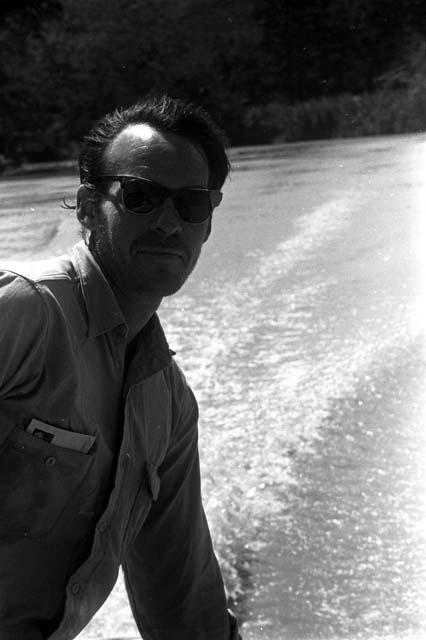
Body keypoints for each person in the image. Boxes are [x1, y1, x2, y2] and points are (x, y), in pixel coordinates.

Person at [0, 95, 241, 639]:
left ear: (207, 223)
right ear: (88, 206)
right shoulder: (26, 311)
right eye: (140, 196)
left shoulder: (168, 406)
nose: (166, 222)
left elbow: (182, 597)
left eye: (191, 205)